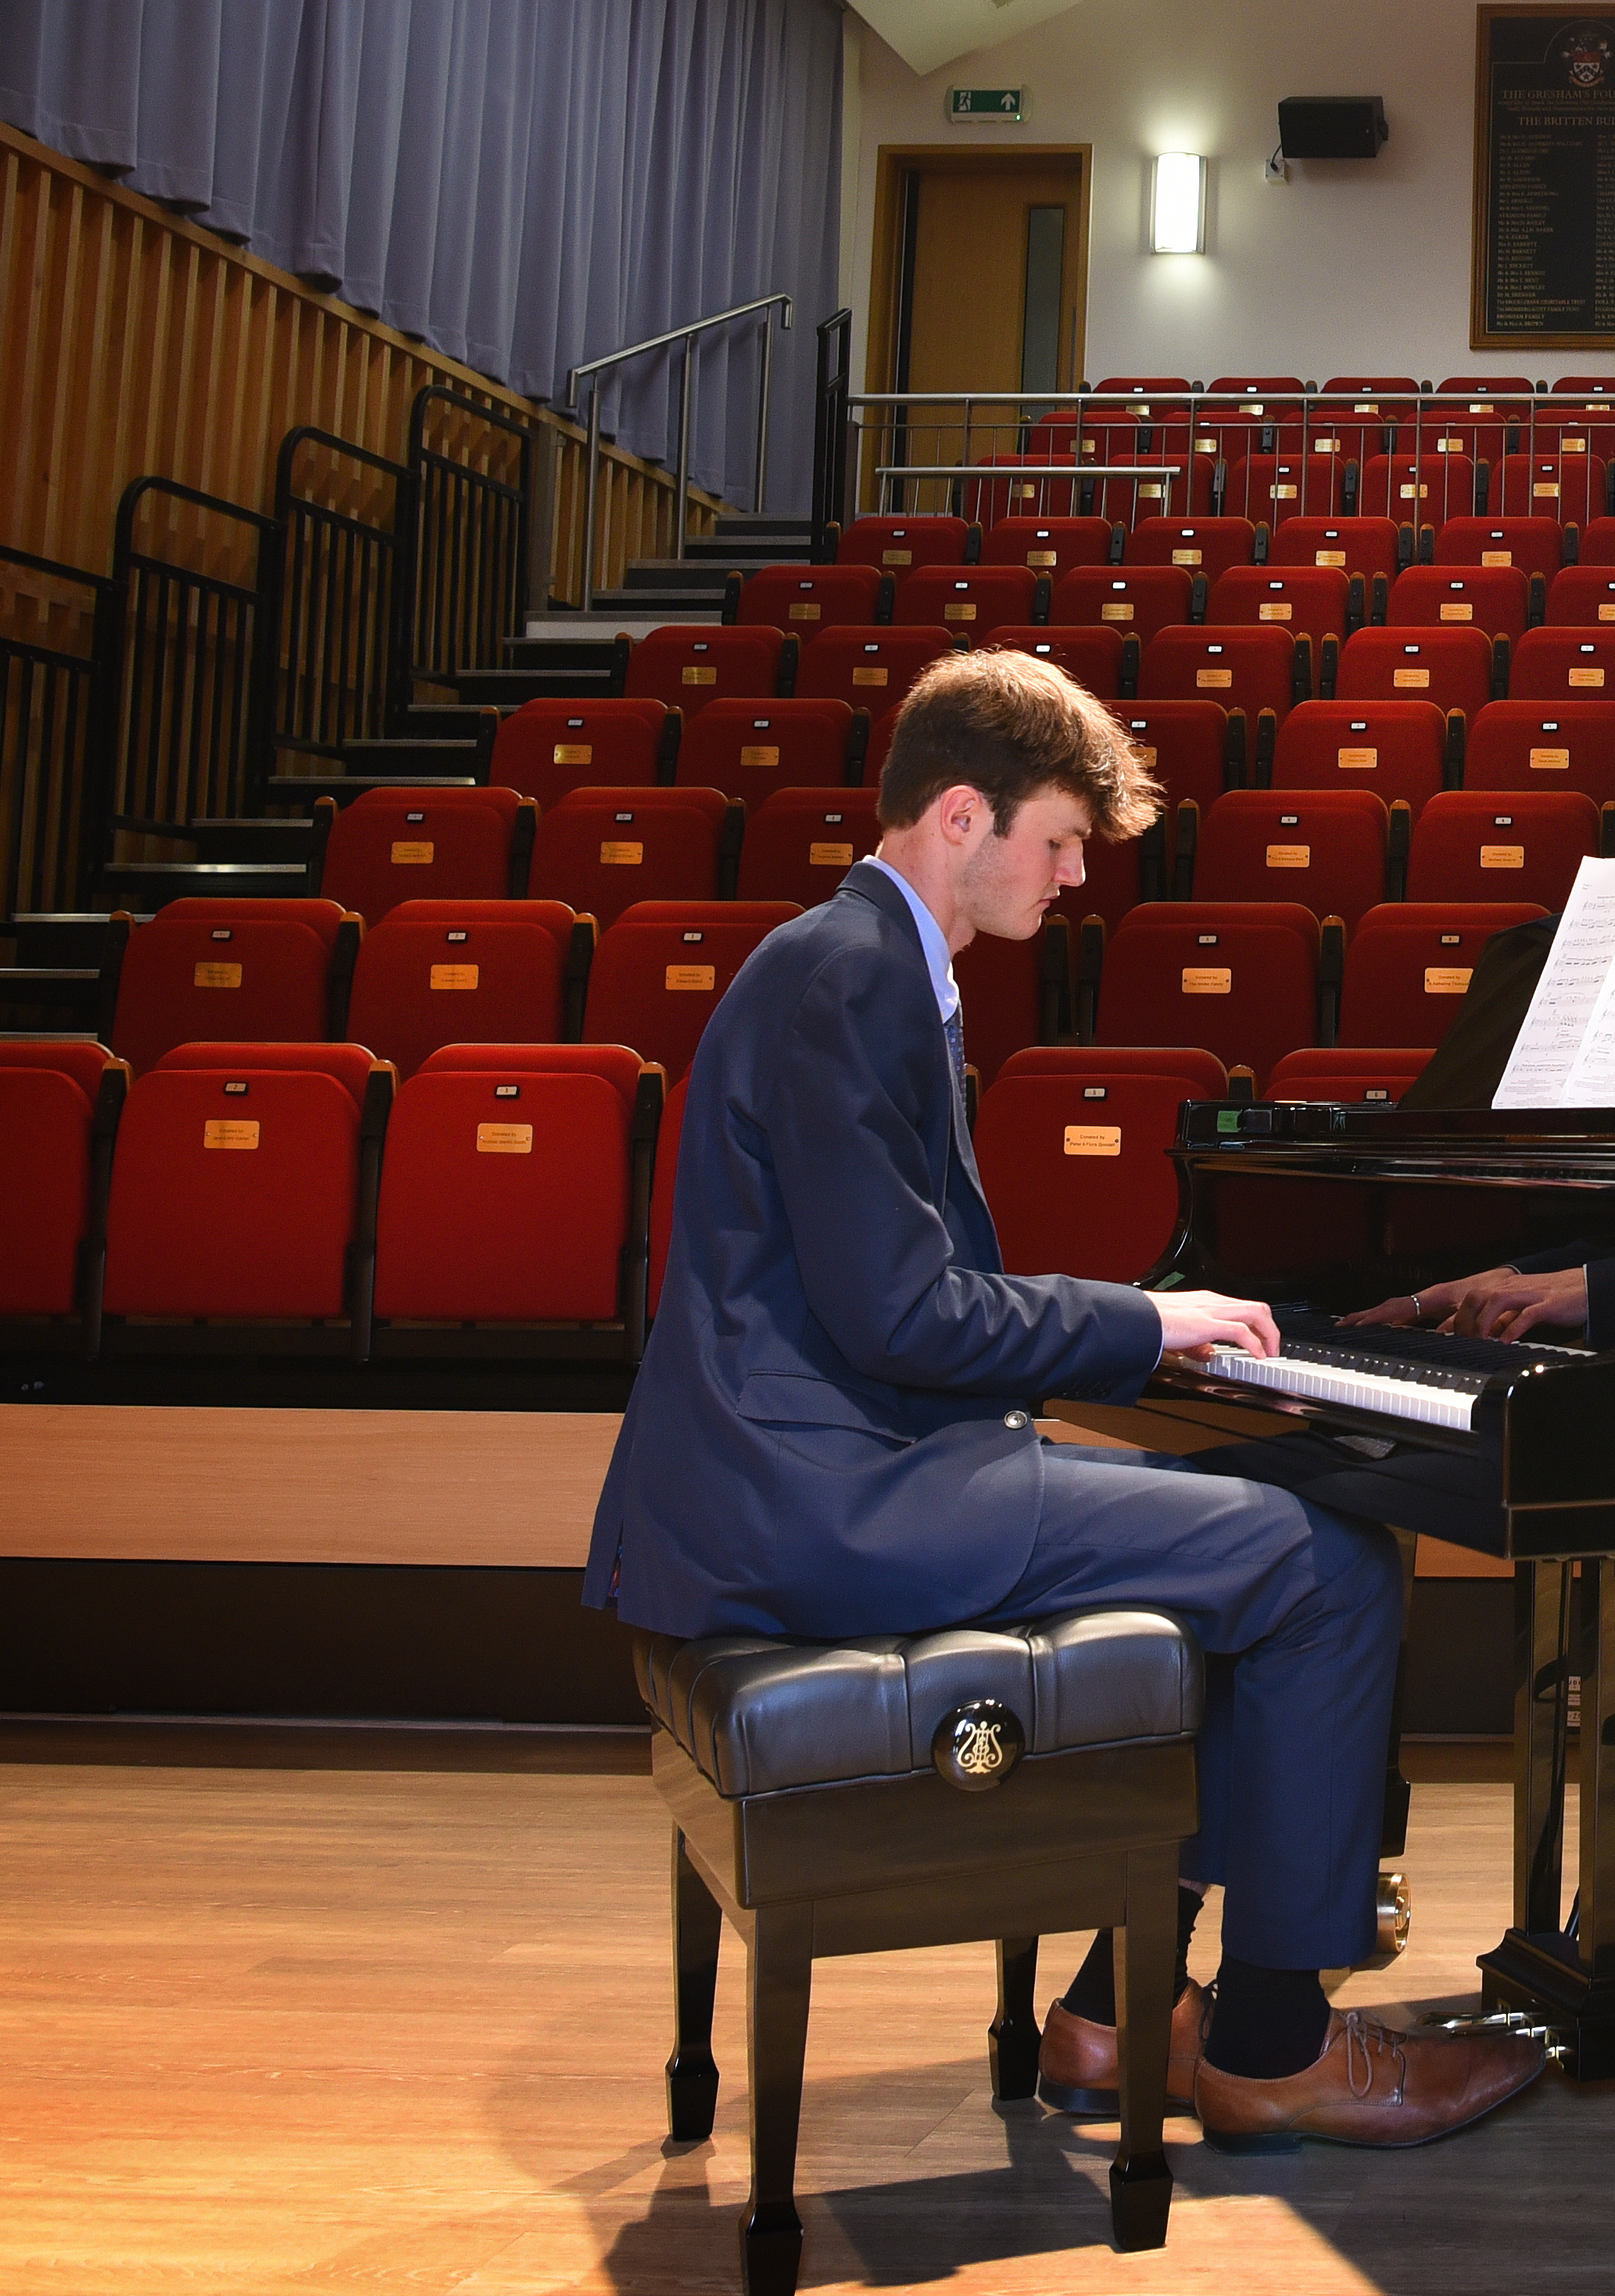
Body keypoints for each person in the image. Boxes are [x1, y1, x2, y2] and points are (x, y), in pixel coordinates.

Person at [582, 648, 1542, 2150]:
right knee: (1326, 1562)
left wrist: (1126, 1338)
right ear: (959, 816)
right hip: (824, 1495)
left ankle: (1113, 2013)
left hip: (822, 1465)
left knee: (1246, 1547)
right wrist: (1145, 1323)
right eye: (1062, 839)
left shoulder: (863, 967)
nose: (1080, 874)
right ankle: (1278, 2044)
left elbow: (889, 1300)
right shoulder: (848, 977)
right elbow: (901, 1314)